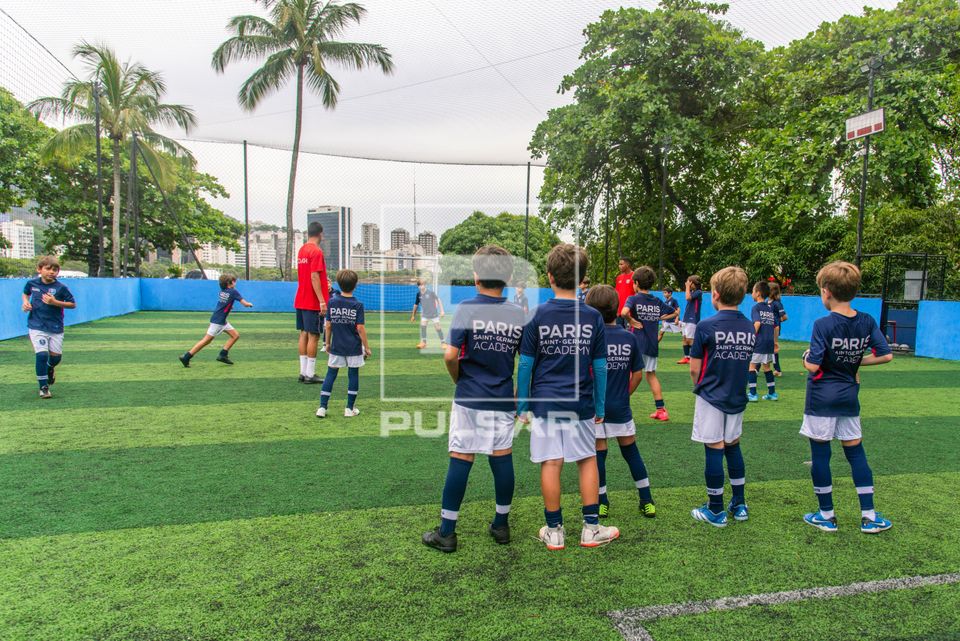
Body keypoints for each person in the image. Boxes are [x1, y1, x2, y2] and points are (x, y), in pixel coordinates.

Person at [517, 243, 620, 550]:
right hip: (581, 403)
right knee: (587, 460)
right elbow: (600, 367)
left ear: (549, 277)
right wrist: (600, 404)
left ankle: (554, 532)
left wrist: (522, 404)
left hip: (546, 402)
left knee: (551, 463)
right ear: (582, 279)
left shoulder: (537, 315)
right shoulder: (593, 317)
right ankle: (591, 529)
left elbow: (525, 364)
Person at [422, 246, 526, 553]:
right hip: (503, 398)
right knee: (502, 457)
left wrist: (459, 379)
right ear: (507, 277)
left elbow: (450, 354)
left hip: (470, 397)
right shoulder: (519, 314)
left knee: (461, 457)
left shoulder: (466, 307)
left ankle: (446, 533)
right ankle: (501, 526)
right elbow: (528, 360)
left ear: (476, 276)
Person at [800, 261, 893, 534]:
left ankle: (826, 515)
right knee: (855, 453)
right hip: (849, 398)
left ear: (826, 291)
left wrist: (806, 358)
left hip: (820, 399)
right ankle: (869, 515)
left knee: (821, 454)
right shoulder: (866, 320)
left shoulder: (822, 324)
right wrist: (855, 362)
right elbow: (885, 354)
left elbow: (814, 365)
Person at [688, 266, 755, 527]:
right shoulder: (749, 326)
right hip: (737, 396)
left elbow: (695, 368)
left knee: (714, 447)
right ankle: (739, 503)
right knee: (733, 445)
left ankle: (715, 509)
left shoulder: (706, 326)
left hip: (711, 395)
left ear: (715, 294)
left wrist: (702, 387)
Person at [585, 285, 656, 519]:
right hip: (621, 406)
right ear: (617, 309)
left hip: (596, 408)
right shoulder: (629, 338)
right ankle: (646, 500)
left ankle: (603, 502)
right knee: (631, 452)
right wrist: (625, 395)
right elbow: (637, 373)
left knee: (599, 453)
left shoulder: (589, 339)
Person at [620, 266, 680, 422]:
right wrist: (658, 318)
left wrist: (632, 321)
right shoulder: (657, 300)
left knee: (629, 374)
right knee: (651, 375)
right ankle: (661, 410)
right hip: (652, 344)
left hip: (637, 343)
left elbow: (624, 313)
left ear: (636, 283)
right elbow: (675, 312)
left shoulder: (633, 298)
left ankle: (620, 402)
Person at [316, 270, 371, 418]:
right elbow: (360, 328)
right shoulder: (358, 305)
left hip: (337, 346)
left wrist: (327, 343)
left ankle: (322, 407)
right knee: (353, 375)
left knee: (330, 375)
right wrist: (367, 347)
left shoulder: (332, 301)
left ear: (338, 285)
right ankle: (349, 408)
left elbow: (328, 325)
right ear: (355, 285)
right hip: (353, 348)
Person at [21, 256, 76, 399]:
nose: (51, 272)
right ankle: (43, 387)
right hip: (36, 325)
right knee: (41, 355)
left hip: (56, 326)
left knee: (55, 359)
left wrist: (55, 302)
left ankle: (50, 368)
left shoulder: (61, 287)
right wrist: (25, 303)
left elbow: (72, 304)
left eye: (55, 269)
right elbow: (26, 293)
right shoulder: (32, 283)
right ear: (39, 269)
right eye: (48, 269)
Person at [179, 273, 253, 367]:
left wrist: (230, 306)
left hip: (221, 320)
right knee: (206, 340)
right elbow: (245, 304)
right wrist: (249, 304)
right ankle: (186, 357)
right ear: (230, 283)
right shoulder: (233, 292)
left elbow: (225, 301)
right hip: (218, 321)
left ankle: (223, 354)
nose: (236, 282)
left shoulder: (223, 291)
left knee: (235, 335)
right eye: (234, 281)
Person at [295, 221, 329, 383]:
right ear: (320, 234)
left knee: (303, 333)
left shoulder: (302, 250)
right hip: (312, 300)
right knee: (314, 335)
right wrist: (322, 301)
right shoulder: (316, 251)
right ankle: (310, 374)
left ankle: (303, 372)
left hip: (301, 298)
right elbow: (314, 276)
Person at [748, 281, 779, 402]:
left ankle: (752, 394)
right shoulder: (769, 308)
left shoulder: (756, 308)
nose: (752, 294)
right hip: (769, 342)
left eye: (753, 291)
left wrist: (751, 337)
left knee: (751, 366)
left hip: (759, 342)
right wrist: (775, 342)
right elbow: (776, 327)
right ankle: (772, 393)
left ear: (758, 293)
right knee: (767, 367)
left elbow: (757, 323)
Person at [411, 279, 445, 349]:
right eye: (419, 285)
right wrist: (413, 315)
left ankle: (443, 343)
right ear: (418, 286)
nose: (421, 286)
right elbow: (415, 305)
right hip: (425, 314)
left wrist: (442, 311)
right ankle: (424, 343)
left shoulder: (430, 292)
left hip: (433, 313)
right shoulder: (418, 294)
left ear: (425, 285)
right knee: (423, 327)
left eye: (422, 285)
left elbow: (438, 300)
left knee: (437, 328)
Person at [677, 275, 702, 364]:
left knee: (690, 339)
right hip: (686, 318)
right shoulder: (692, 292)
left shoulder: (698, 292)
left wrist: (687, 287)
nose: (688, 284)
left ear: (694, 283)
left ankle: (694, 358)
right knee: (684, 338)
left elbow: (688, 298)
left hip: (693, 319)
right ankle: (686, 358)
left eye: (690, 282)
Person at [769, 282, 788, 376]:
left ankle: (777, 370)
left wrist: (776, 320)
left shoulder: (777, 304)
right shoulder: (766, 303)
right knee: (764, 347)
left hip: (774, 329)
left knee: (773, 348)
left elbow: (785, 317)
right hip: (766, 329)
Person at [614, 257, 634, 328]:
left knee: (629, 334)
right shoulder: (619, 278)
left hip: (629, 312)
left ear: (627, 264)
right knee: (618, 334)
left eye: (621, 264)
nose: (619, 266)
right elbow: (616, 294)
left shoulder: (634, 276)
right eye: (619, 264)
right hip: (619, 312)